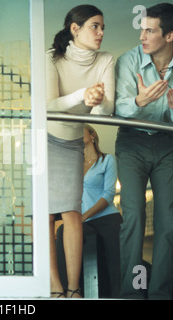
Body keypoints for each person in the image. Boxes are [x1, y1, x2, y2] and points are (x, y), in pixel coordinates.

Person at [115, 3, 173, 299]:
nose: (142, 36)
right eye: (142, 29)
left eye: (150, 30)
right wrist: (138, 101)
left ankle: (160, 294)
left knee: (167, 221)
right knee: (134, 217)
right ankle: (131, 293)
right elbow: (117, 108)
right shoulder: (128, 60)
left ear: (169, 35)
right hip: (131, 142)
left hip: (168, 145)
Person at [46, 5, 114, 298]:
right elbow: (48, 105)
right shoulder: (51, 58)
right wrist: (81, 94)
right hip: (44, 137)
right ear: (76, 29)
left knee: (71, 212)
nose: (101, 32)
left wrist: (97, 100)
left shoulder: (106, 59)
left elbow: (107, 110)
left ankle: (74, 291)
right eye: (95, 26)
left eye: (102, 27)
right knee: (45, 216)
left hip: (72, 140)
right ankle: (55, 289)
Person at [56, 124, 122, 298]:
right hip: (84, 223)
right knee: (63, 232)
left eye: (80, 130)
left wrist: (83, 216)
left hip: (108, 220)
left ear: (92, 135)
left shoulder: (107, 160)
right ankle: (66, 292)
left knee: (113, 267)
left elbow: (108, 195)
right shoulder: (74, 165)